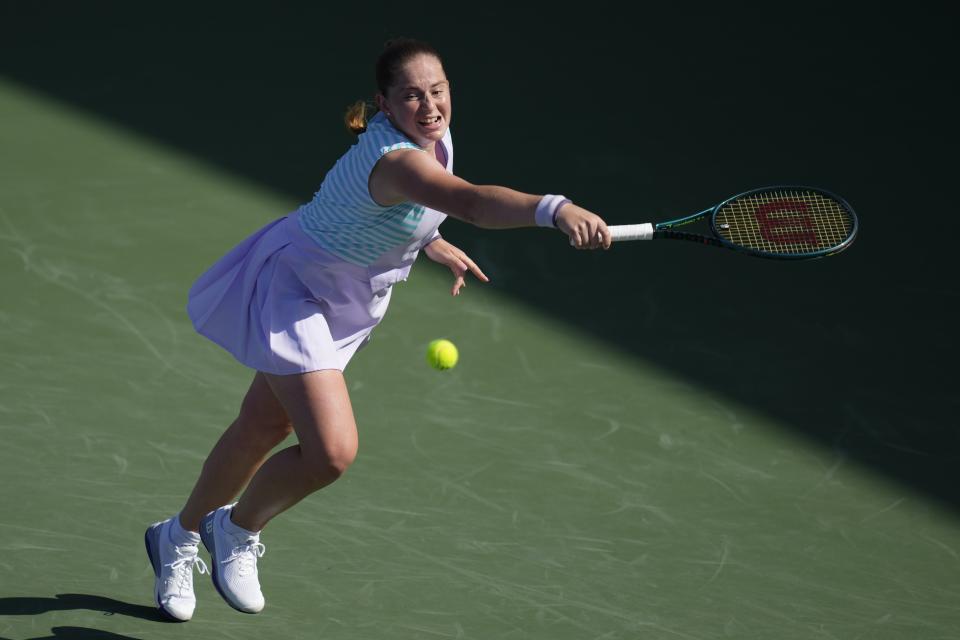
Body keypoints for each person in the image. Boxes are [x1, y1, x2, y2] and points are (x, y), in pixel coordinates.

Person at [144, 37, 611, 621]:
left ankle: (177, 537)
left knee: (262, 423)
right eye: (412, 96)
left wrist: (429, 241)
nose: (429, 106)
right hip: (296, 288)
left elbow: (389, 209)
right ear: (385, 105)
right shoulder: (396, 157)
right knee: (332, 453)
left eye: (437, 91)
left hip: (346, 299)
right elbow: (469, 202)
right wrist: (554, 208)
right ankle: (234, 529)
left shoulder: (433, 141)